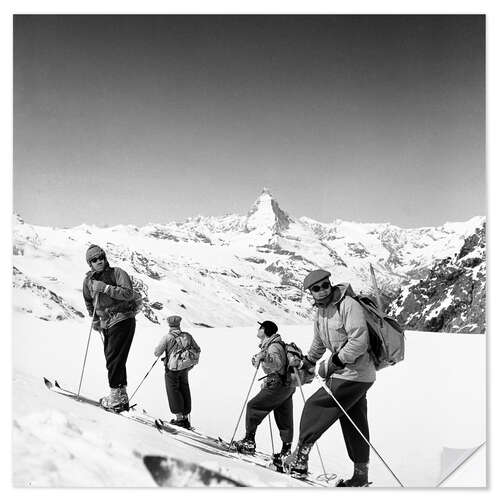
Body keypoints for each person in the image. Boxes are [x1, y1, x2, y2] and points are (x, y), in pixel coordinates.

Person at [286, 269, 375, 487]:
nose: (322, 290)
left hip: (354, 373)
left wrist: (334, 362)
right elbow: (319, 342)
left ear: (330, 283)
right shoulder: (321, 312)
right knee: (354, 421)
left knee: (315, 405)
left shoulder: (347, 305)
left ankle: (300, 458)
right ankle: (360, 476)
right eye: (316, 288)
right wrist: (308, 361)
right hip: (352, 374)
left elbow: (359, 341)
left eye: (325, 285)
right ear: (311, 293)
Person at [82, 244, 136, 412]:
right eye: (94, 260)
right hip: (106, 323)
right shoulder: (88, 281)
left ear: (105, 258)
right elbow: (88, 301)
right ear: (89, 263)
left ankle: (117, 397)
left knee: (114, 358)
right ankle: (120, 395)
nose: (99, 261)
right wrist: (94, 319)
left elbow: (128, 293)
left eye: (101, 258)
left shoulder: (117, 273)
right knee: (113, 359)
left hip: (123, 318)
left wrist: (105, 288)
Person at [233, 321, 295, 466]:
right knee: (284, 416)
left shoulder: (273, 346)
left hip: (277, 384)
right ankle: (286, 450)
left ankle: (249, 441)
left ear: (265, 330)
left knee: (253, 406)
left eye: (260, 327)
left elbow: (277, 364)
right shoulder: (277, 344)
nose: (258, 329)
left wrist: (264, 357)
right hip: (287, 385)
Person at [154, 315, 200, 429]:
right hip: (184, 367)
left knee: (173, 391)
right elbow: (197, 349)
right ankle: (185, 418)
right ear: (179, 324)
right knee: (184, 388)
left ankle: (179, 419)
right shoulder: (187, 336)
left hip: (172, 369)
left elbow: (157, 352)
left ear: (169, 325)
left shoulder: (167, 337)